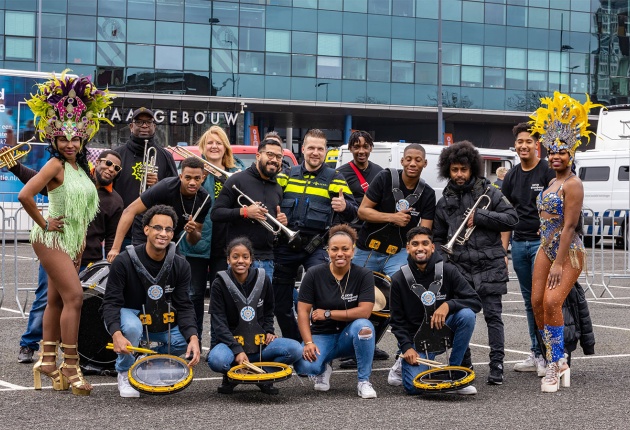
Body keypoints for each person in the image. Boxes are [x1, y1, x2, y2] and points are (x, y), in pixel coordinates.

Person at [19, 71, 114, 395]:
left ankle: (47, 359)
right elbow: (26, 195)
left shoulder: (79, 168)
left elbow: (85, 211)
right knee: (75, 297)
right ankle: (70, 366)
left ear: (82, 139)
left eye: (75, 138)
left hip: (71, 241)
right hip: (50, 238)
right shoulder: (55, 165)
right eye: (64, 138)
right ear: (55, 139)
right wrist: (45, 223)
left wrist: (79, 244)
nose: (70, 143)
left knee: (58, 300)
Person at [14, 150, 124, 363]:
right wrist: (15, 167)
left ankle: (62, 356)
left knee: (70, 303)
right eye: (108, 163)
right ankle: (30, 345)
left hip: (86, 257)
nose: (110, 169)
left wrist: (110, 260)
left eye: (116, 168)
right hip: (57, 247)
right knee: (50, 298)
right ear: (98, 162)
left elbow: (111, 237)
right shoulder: (74, 177)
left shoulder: (115, 200)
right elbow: (38, 182)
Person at [529, 92, 600, 393]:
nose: (556, 156)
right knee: (536, 303)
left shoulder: (573, 184)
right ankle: (555, 359)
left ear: (572, 154)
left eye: (562, 152)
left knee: (552, 301)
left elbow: (570, 225)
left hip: (568, 252)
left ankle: (556, 364)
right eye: (552, 152)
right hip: (545, 247)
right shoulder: (551, 183)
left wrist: (559, 261)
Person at [433, 140, 518, 385]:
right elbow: (438, 237)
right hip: (459, 266)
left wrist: (481, 215)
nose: (459, 175)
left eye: (464, 169)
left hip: (489, 264)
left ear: (473, 169)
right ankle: (465, 363)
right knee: (463, 316)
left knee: (493, 316)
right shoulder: (444, 199)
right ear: (447, 170)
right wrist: (443, 261)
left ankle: (497, 364)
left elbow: (512, 219)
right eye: (454, 170)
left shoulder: (489, 192)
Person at [101, 205, 201, 398]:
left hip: (160, 320)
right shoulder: (124, 261)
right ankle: (124, 371)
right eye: (157, 228)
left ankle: (147, 359)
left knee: (184, 341)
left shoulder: (180, 264)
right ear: (146, 229)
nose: (163, 234)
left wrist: (194, 338)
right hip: (132, 315)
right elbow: (111, 302)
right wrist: (116, 333)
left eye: (168, 229)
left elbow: (184, 305)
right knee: (132, 328)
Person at [273, 129, 358, 341]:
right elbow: (270, 206)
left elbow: (356, 211)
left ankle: (319, 341)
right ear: (303, 150)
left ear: (326, 151)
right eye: (311, 148)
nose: (315, 153)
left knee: (322, 295)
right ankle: (295, 342)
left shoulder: (334, 178)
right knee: (280, 301)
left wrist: (345, 206)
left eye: (320, 149)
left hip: (317, 247)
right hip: (285, 245)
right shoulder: (286, 175)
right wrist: (278, 219)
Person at [389, 226, 481, 395]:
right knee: (415, 388)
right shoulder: (398, 279)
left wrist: (448, 305)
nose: (420, 248)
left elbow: (475, 301)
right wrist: (407, 347)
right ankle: (401, 364)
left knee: (467, 315)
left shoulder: (448, 270)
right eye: (415, 244)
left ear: (432, 247)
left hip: (443, 333)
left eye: (425, 243)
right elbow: (396, 321)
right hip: (418, 340)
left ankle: (454, 372)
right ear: (408, 248)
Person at [207, 237, 302, 395]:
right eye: (235, 256)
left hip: (259, 343)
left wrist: (269, 331)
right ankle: (231, 377)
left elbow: (269, 309)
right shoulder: (219, 283)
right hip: (231, 345)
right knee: (217, 360)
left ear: (251, 259)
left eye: (245, 257)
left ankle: (263, 374)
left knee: (295, 350)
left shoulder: (263, 278)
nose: (240, 261)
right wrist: (237, 350)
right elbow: (219, 324)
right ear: (228, 260)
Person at [178, 126, 245, 347]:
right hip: (198, 241)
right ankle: (194, 338)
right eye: (210, 143)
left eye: (218, 142)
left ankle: (219, 341)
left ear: (225, 146)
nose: (214, 146)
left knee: (221, 296)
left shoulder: (239, 170)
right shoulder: (197, 170)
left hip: (226, 243)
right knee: (194, 294)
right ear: (203, 147)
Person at [294, 224, 377, 399]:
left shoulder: (364, 275)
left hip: (349, 335)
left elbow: (364, 312)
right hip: (322, 334)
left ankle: (363, 381)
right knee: (305, 367)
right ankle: (324, 366)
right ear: (328, 251)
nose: (340, 254)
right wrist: (308, 342)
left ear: (353, 251)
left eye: (345, 249)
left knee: (365, 327)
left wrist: (328, 313)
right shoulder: (314, 274)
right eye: (335, 249)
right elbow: (302, 311)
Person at [501, 123, 555, 375]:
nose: (523, 145)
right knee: (528, 300)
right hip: (518, 244)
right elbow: (504, 214)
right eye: (520, 141)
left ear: (537, 145)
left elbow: (560, 203)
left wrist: (548, 231)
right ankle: (536, 353)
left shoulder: (547, 170)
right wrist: (504, 251)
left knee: (541, 298)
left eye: (528, 142)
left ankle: (548, 355)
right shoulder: (511, 176)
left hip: (541, 245)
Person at [336, 131, 387, 366]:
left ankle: (371, 344)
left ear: (371, 148)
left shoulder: (380, 173)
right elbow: (343, 208)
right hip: (356, 242)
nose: (361, 151)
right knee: (352, 296)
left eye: (365, 146)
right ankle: (349, 348)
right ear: (350, 149)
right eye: (356, 147)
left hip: (380, 241)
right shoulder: (341, 174)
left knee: (381, 298)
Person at [354, 143, 436, 278]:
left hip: (400, 252)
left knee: (402, 288)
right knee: (356, 287)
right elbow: (362, 211)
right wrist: (392, 217)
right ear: (402, 161)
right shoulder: (384, 178)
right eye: (408, 159)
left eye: (418, 160)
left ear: (425, 163)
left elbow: (424, 231)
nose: (413, 164)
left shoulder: (428, 193)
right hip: (367, 248)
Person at [211, 138, 286, 281]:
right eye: (270, 155)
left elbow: (273, 225)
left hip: (267, 259)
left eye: (278, 157)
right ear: (258, 156)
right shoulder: (237, 180)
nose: (274, 160)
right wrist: (244, 212)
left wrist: (281, 222)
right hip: (240, 258)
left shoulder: (277, 188)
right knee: (236, 303)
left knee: (262, 303)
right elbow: (216, 213)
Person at [107, 157, 210, 262]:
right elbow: (129, 211)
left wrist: (191, 232)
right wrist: (115, 249)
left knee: (178, 268)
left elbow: (193, 240)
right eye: (188, 178)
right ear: (181, 177)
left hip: (170, 235)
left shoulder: (204, 199)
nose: (192, 182)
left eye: (197, 178)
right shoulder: (166, 187)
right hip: (146, 233)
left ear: (203, 178)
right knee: (142, 266)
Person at [112, 107, 178, 246]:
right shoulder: (118, 154)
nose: (144, 126)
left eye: (148, 122)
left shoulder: (165, 156)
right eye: (139, 122)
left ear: (154, 126)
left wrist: (158, 185)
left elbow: (174, 194)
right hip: (123, 230)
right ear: (131, 126)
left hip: (154, 232)